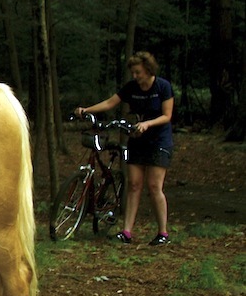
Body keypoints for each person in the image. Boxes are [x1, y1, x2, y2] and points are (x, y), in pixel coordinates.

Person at [75, 51, 174, 246]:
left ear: (148, 70)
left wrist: (147, 124)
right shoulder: (131, 87)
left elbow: (167, 115)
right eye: (133, 73)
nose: (135, 76)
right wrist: (86, 110)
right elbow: (110, 102)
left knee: (154, 186)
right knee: (134, 184)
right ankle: (127, 231)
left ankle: (163, 232)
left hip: (159, 141)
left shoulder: (162, 87)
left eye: (138, 72)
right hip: (137, 140)